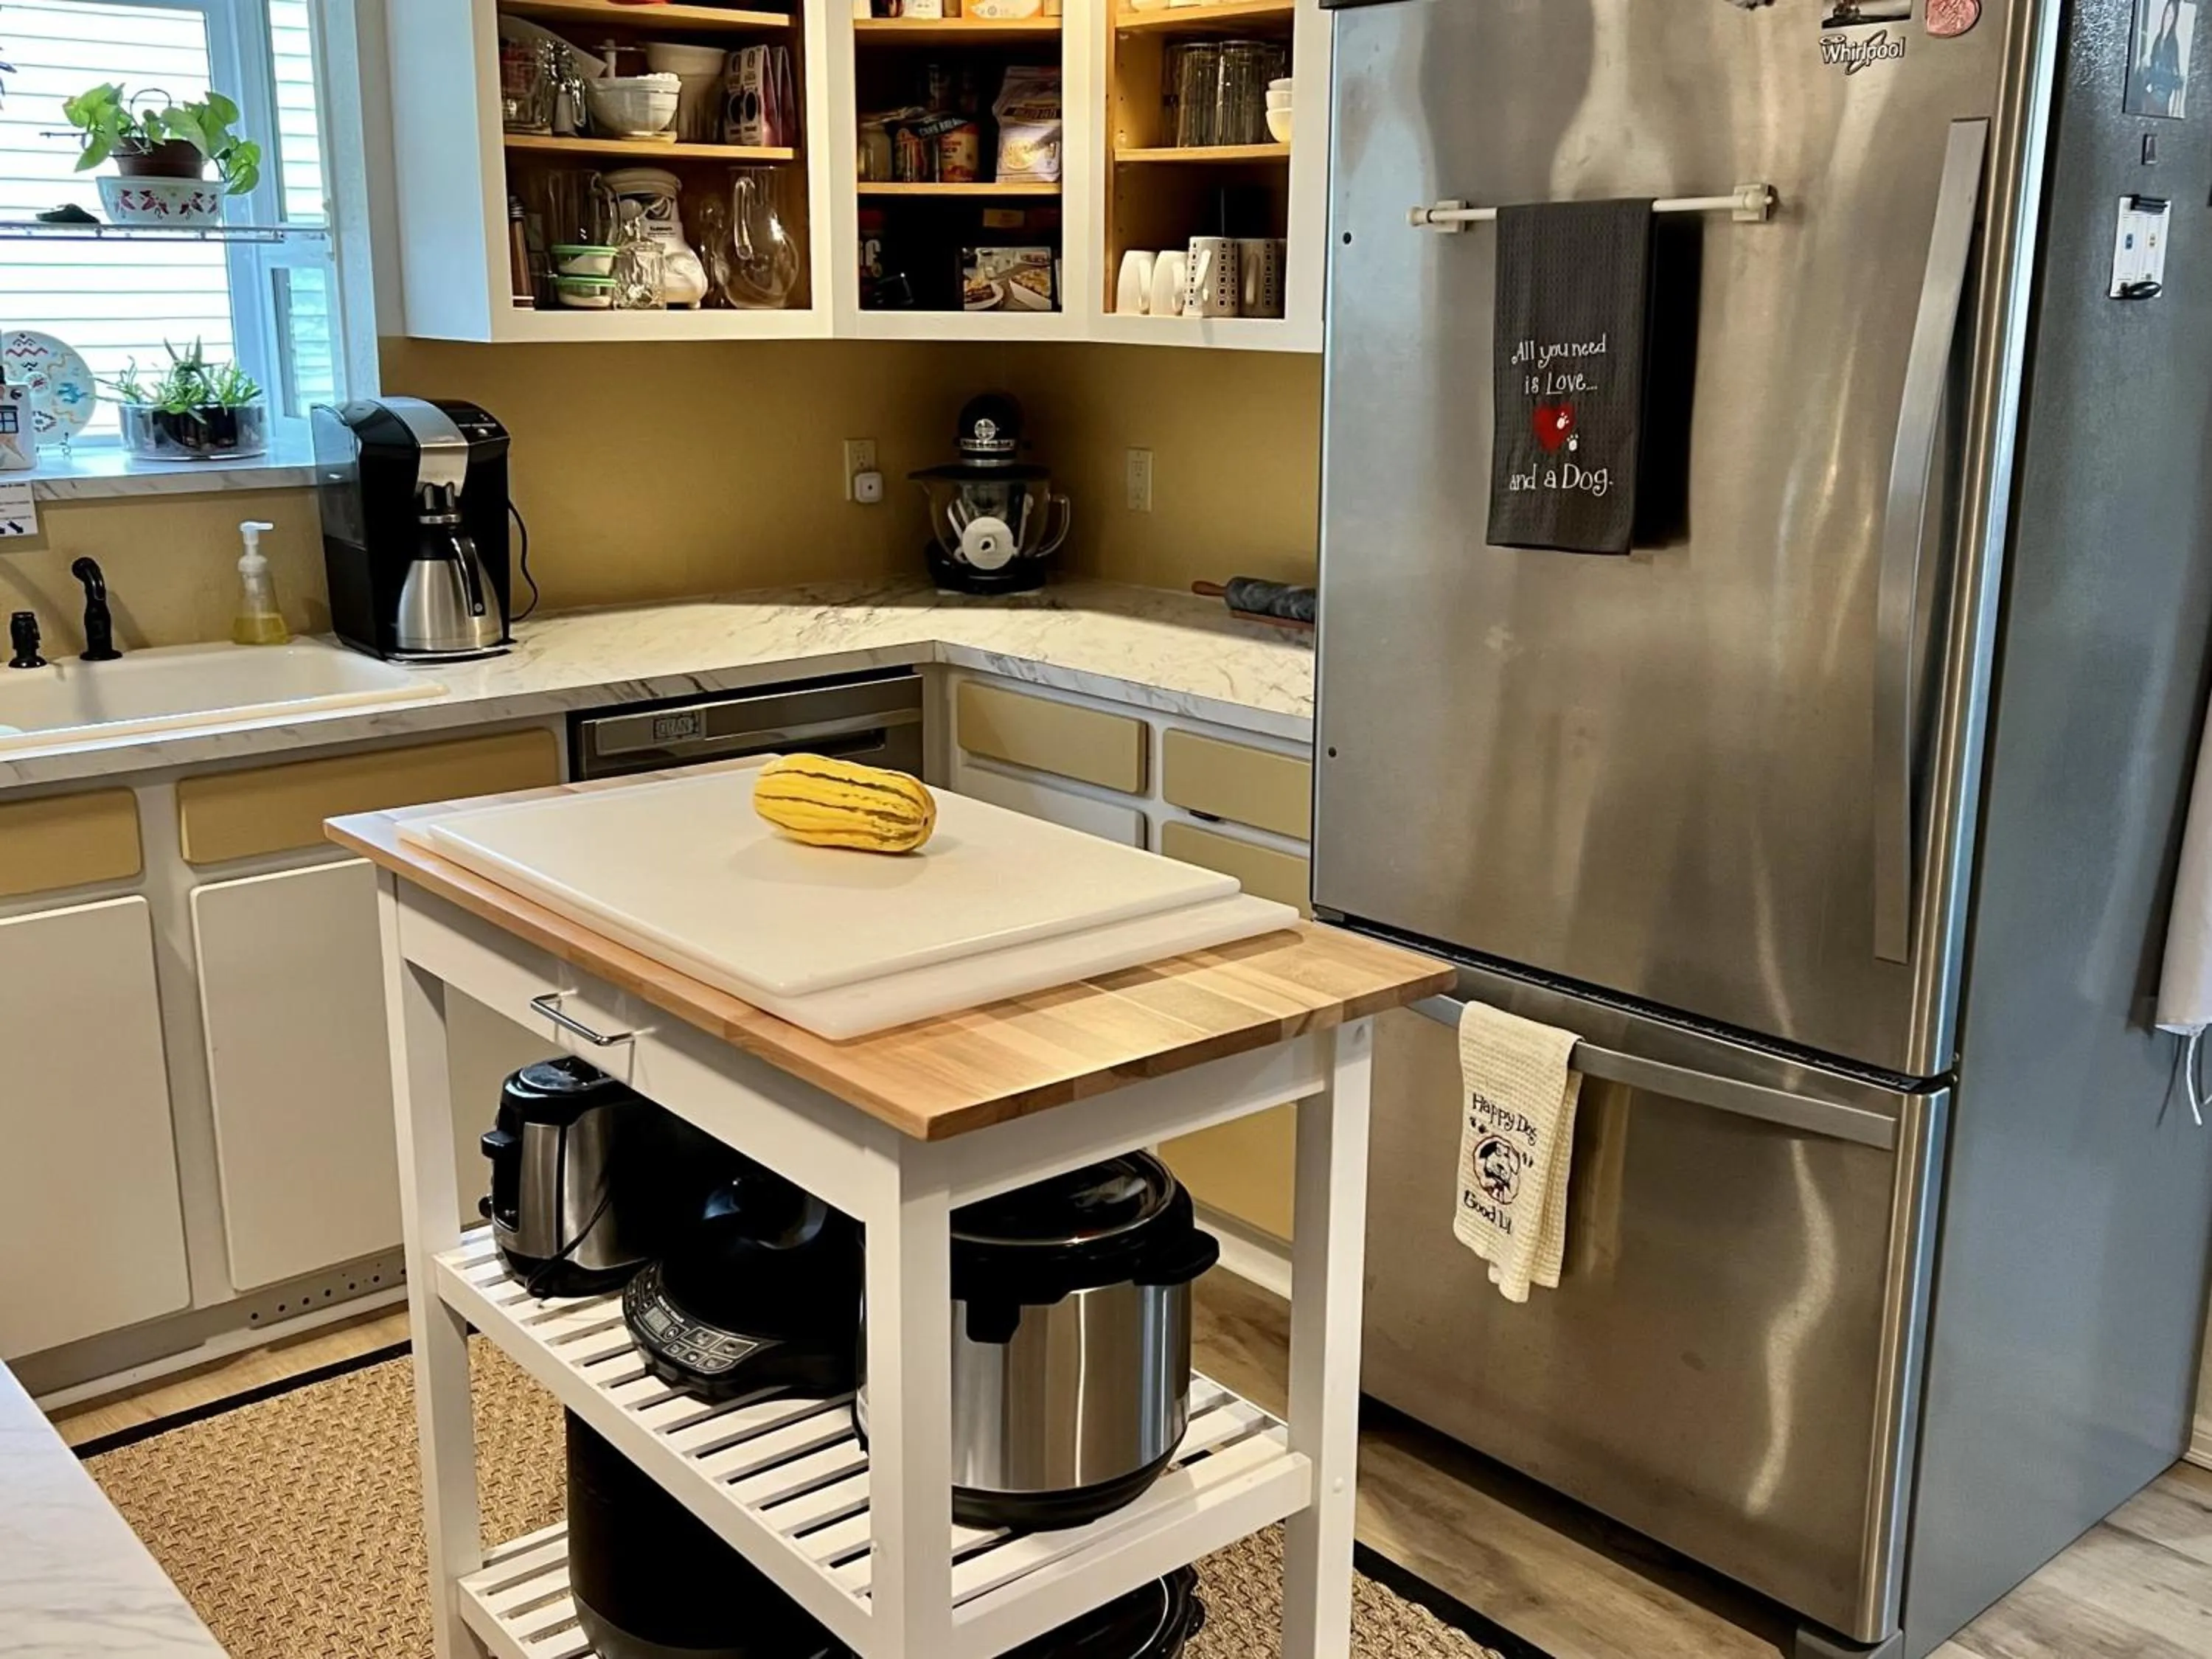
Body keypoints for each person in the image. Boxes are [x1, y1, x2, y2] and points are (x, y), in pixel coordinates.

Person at [2140, 0, 2190, 117]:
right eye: (2167, 13)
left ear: (2174, 20)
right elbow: (2153, 70)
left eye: (2172, 16)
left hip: (2162, 98)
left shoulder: (2173, 44)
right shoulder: (2158, 39)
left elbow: (2177, 78)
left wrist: (2176, 109)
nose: (2168, 18)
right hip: (2154, 93)